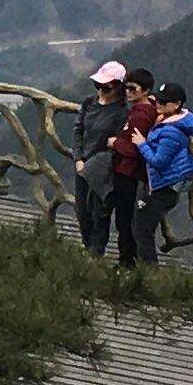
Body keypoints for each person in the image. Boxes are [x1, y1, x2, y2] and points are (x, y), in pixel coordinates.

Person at [70, 60, 134, 256]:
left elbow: (115, 144)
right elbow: (78, 131)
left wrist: (93, 165)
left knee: (100, 213)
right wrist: (79, 158)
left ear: (117, 86)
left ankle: (96, 254)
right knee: (82, 212)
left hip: (104, 169)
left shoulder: (122, 113)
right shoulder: (89, 103)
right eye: (98, 85)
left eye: (105, 86)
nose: (101, 89)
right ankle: (88, 248)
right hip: (83, 165)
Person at [135, 79, 193, 260]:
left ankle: (148, 274)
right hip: (161, 185)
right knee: (141, 227)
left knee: (142, 230)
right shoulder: (171, 121)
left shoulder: (172, 131)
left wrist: (142, 144)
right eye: (157, 100)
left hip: (164, 188)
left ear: (177, 104)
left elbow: (159, 161)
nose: (158, 104)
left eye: (163, 102)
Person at [106, 70, 163, 265]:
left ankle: (127, 262)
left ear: (145, 91)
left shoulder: (141, 115)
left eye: (133, 89)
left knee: (125, 219)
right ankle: (131, 261)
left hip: (129, 172)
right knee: (128, 219)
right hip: (135, 173)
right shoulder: (150, 109)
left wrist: (115, 144)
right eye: (126, 87)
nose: (128, 92)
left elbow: (135, 148)